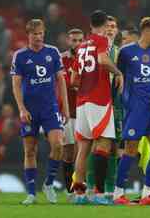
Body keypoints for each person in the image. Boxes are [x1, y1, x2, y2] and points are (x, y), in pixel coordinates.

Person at [11, 19, 70, 205]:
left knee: (58, 145)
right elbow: (16, 84)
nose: (38, 37)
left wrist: (65, 108)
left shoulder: (52, 52)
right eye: (35, 34)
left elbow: (61, 81)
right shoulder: (20, 56)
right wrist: (21, 108)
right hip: (30, 110)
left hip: (50, 108)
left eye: (41, 33)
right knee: (30, 150)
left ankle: (49, 183)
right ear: (28, 35)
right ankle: (31, 193)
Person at [113, 17, 150, 206]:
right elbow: (118, 77)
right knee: (130, 149)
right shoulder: (126, 52)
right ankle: (118, 193)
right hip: (135, 108)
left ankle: (147, 194)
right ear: (147, 31)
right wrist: (123, 101)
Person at [70, 10, 123, 205]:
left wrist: (86, 83)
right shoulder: (100, 40)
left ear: (90, 24)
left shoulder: (82, 46)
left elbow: (73, 80)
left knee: (83, 148)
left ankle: (80, 194)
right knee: (103, 144)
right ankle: (100, 194)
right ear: (103, 24)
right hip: (99, 100)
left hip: (82, 102)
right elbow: (102, 60)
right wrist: (118, 73)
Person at [60, 28, 84, 201]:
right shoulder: (62, 59)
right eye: (73, 40)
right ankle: (69, 189)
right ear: (69, 41)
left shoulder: (87, 59)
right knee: (68, 152)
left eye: (79, 40)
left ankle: (78, 189)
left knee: (80, 151)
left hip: (83, 110)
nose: (76, 44)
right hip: (67, 112)